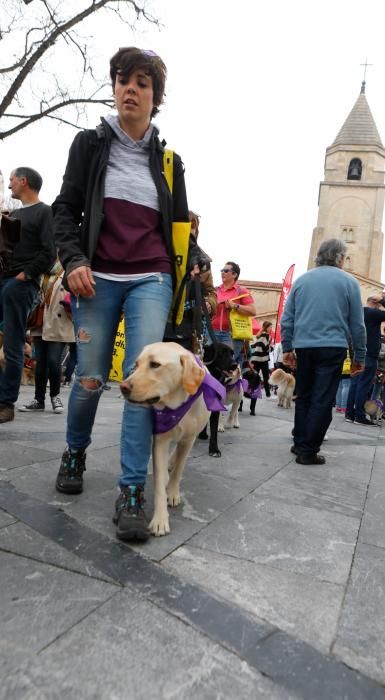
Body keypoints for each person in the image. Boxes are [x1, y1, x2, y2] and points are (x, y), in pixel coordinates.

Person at [52, 47, 200, 542]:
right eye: (123, 80)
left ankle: (132, 490)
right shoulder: (89, 146)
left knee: (145, 383)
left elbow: (178, 227)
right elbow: (65, 210)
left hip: (151, 278)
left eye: (142, 82)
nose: (130, 88)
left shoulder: (170, 161)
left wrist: (197, 261)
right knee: (91, 377)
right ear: (114, 88)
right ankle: (75, 450)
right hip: (96, 276)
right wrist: (73, 260)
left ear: (156, 97)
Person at [281, 238, 366, 465]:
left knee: (305, 396)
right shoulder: (349, 283)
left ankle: (299, 443)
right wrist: (359, 355)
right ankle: (308, 451)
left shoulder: (302, 280)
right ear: (340, 258)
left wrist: (287, 347)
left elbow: (287, 318)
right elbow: (357, 325)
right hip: (333, 346)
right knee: (322, 399)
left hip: (305, 346)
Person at [0, 167, 56, 424]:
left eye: (11, 179)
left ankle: (5, 403)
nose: (9, 184)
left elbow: (49, 252)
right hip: (4, 278)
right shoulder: (12, 213)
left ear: (23, 181)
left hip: (20, 284)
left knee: (12, 343)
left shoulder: (44, 212)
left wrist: (26, 275)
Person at [19, 264, 74, 414]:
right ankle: (39, 400)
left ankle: (55, 396)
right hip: (40, 321)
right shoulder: (40, 271)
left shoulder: (67, 270)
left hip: (59, 321)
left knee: (53, 361)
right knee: (40, 362)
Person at [164, 210, 217, 352]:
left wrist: (209, 304)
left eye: (193, 227)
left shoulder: (203, 261)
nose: (190, 230)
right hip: (162, 319)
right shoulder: (163, 251)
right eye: (186, 225)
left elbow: (212, 292)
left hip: (189, 325)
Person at [345, 292, 385, 426]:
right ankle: (359, 416)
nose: (381, 308)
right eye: (379, 305)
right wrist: (383, 300)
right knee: (364, 385)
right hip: (369, 355)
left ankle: (350, 414)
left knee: (355, 384)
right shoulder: (372, 313)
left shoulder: (359, 313)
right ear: (374, 303)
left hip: (357, 353)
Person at [211, 262, 256, 365]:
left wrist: (234, 306)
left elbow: (252, 311)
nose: (222, 272)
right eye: (222, 270)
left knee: (227, 366)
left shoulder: (242, 291)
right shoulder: (215, 290)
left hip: (231, 335)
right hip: (212, 333)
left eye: (226, 271)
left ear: (234, 274)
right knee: (211, 365)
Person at [250, 321, 273, 398]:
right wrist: (271, 347)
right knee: (266, 377)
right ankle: (268, 395)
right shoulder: (266, 335)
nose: (271, 329)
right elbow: (265, 348)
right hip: (263, 360)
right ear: (266, 328)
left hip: (256, 359)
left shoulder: (258, 335)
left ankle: (252, 392)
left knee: (255, 377)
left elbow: (254, 346)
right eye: (270, 327)